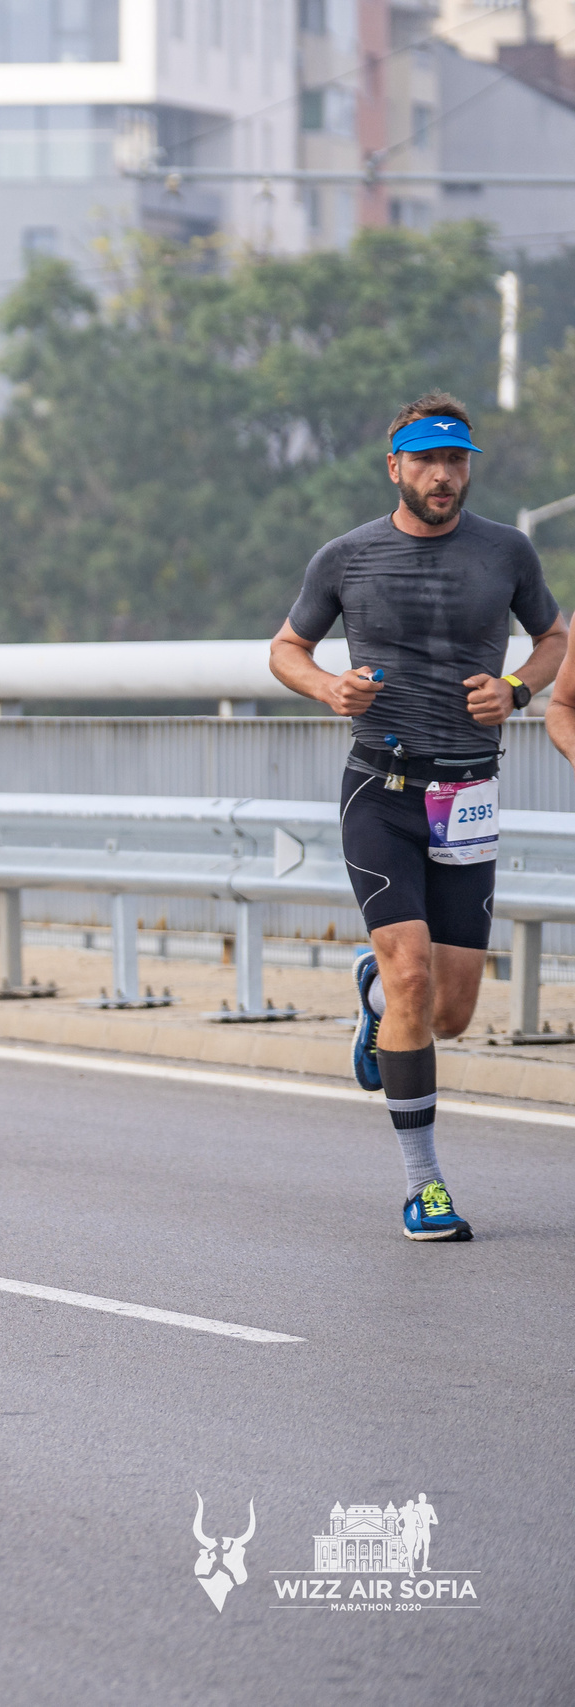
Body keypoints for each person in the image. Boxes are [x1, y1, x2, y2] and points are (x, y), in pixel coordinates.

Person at [273, 392, 568, 1242]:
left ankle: (371, 996)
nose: (444, 475)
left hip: (467, 792)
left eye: (457, 460)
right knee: (413, 974)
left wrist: (516, 688)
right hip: (382, 787)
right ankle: (425, 1186)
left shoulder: (507, 551)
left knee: (451, 1010)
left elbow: (553, 640)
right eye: (428, 460)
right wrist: (329, 686)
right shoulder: (346, 557)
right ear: (395, 466)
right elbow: (286, 649)